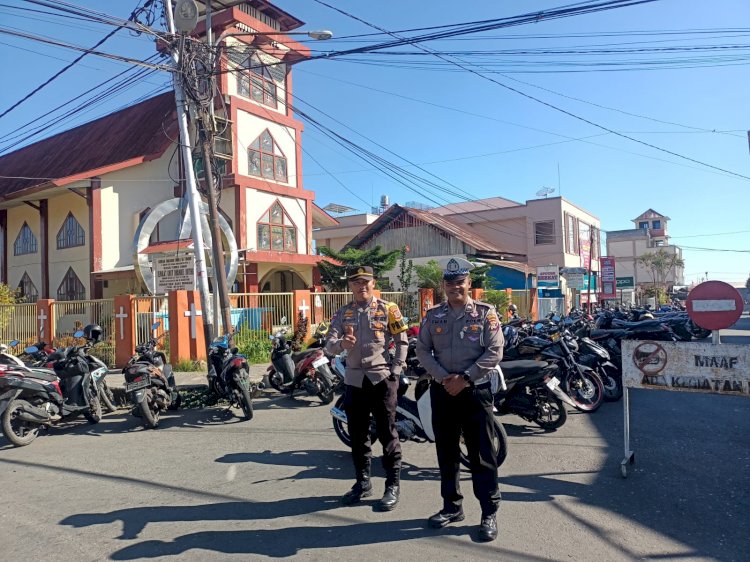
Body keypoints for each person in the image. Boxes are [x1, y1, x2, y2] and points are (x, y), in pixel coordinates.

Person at [416, 257, 504, 542]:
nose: (455, 287)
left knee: (482, 455)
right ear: (443, 286)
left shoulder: (485, 313)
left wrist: (464, 378)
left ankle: (488, 512)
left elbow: (494, 351)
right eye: (450, 283)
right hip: (443, 391)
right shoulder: (433, 315)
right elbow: (422, 351)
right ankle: (451, 506)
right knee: (447, 453)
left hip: (475, 391)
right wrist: (444, 378)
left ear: (468, 284)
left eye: (460, 282)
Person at [326, 266, 409, 511]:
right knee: (358, 436)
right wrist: (341, 343)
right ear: (350, 286)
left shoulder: (388, 308)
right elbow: (329, 344)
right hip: (354, 381)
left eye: (365, 282)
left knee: (387, 433)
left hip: (381, 379)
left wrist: (396, 370)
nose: (361, 286)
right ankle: (363, 482)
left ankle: (392, 485)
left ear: (373, 283)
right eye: (356, 283)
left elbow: (401, 341)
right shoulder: (343, 313)